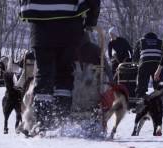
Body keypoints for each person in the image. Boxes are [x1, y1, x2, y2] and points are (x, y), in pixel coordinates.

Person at [19, 0, 101, 134]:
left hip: (40, 26)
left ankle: (42, 121)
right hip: (70, 25)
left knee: (44, 74)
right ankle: (61, 120)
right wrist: (91, 20)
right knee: (64, 73)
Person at [133, 32, 163, 98]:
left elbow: (135, 57)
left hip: (144, 65)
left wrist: (135, 64)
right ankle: (159, 100)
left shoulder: (140, 42)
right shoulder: (162, 43)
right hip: (158, 66)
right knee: (159, 87)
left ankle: (140, 99)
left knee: (141, 86)